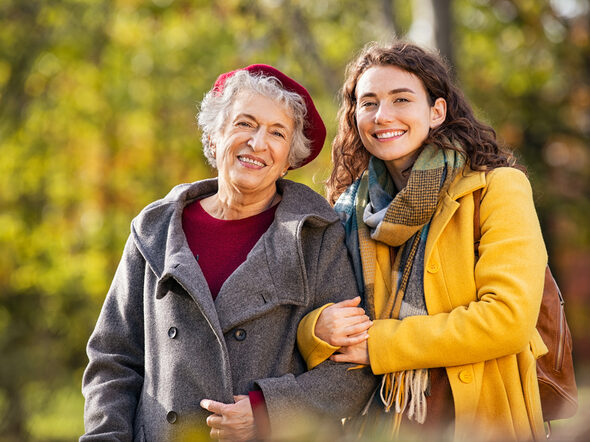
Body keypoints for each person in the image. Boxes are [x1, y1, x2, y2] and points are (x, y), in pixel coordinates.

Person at [81, 64, 377, 441]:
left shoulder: (316, 234)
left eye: (277, 133)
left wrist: (267, 411)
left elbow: (351, 371)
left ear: (289, 158)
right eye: (244, 124)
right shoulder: (155, 230)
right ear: (214, 136)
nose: (257, 143)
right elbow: (113, 360)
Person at [296, 42, 549, 441]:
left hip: (478, 417)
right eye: (369, 103)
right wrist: (316, 329)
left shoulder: (497, 188)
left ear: (436, 112)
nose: (383, 116)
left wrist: (381, 343)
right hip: (378, 421)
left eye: (401, 99)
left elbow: (508, 319)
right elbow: (311, 315)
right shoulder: (346, 211)